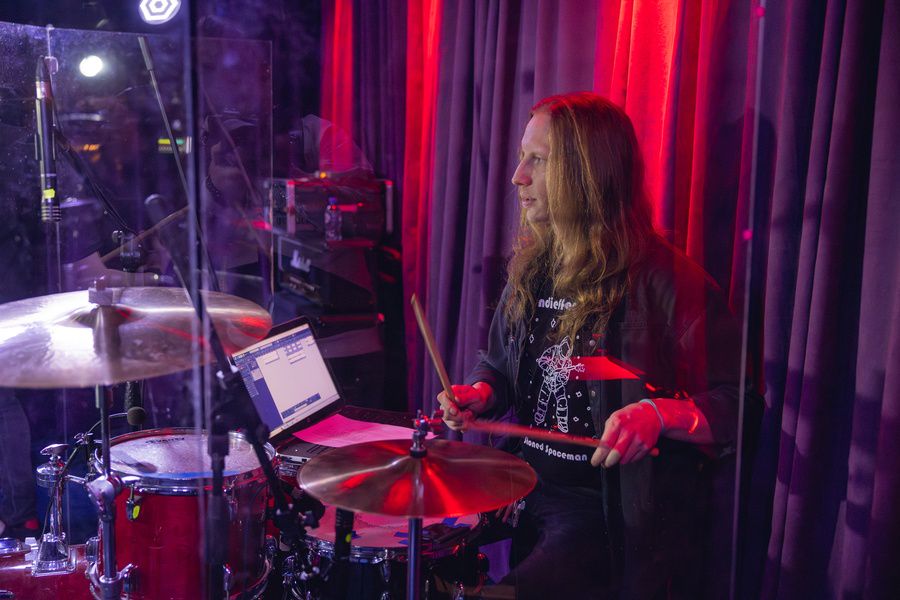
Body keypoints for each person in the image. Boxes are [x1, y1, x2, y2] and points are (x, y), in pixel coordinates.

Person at [438, 92, 742, 598]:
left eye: (538, 160)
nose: (517, 177)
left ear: (586, 173)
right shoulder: (534, 270)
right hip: (521, 479)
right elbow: (500, 366)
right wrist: (481, 392)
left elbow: (738, 403)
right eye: (521, 157)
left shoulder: (666, 282)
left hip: (600, 508)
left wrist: (658, 414)